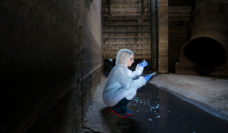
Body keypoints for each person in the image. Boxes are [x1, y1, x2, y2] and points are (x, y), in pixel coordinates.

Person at [103, 49, 157, 118]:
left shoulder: (122, 68)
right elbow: (129, 84)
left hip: (113, 94)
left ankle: (122, 107)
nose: (133, 61)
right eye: (131, 59)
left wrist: (140, 67)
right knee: (130, 89)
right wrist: (143, 80)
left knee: (132, 90)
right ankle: (116, 108)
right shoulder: (119, 71)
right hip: (109, 97)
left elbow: (133, 75)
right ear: (124, 59)